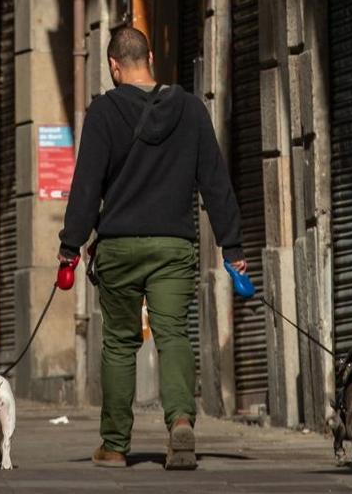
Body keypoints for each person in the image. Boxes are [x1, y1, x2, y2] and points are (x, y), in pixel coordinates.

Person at [57, 27, 247, 470]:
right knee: (173, 334)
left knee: (120, 344)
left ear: (113, 66)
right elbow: (216, 184)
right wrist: (231, 247)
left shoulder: (103, 113)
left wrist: (70, 247)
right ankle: (181, 422)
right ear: (151, 59)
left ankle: (115, 444)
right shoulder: (191, 110)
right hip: (172, 246)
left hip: (119, 248)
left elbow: (85, 188)